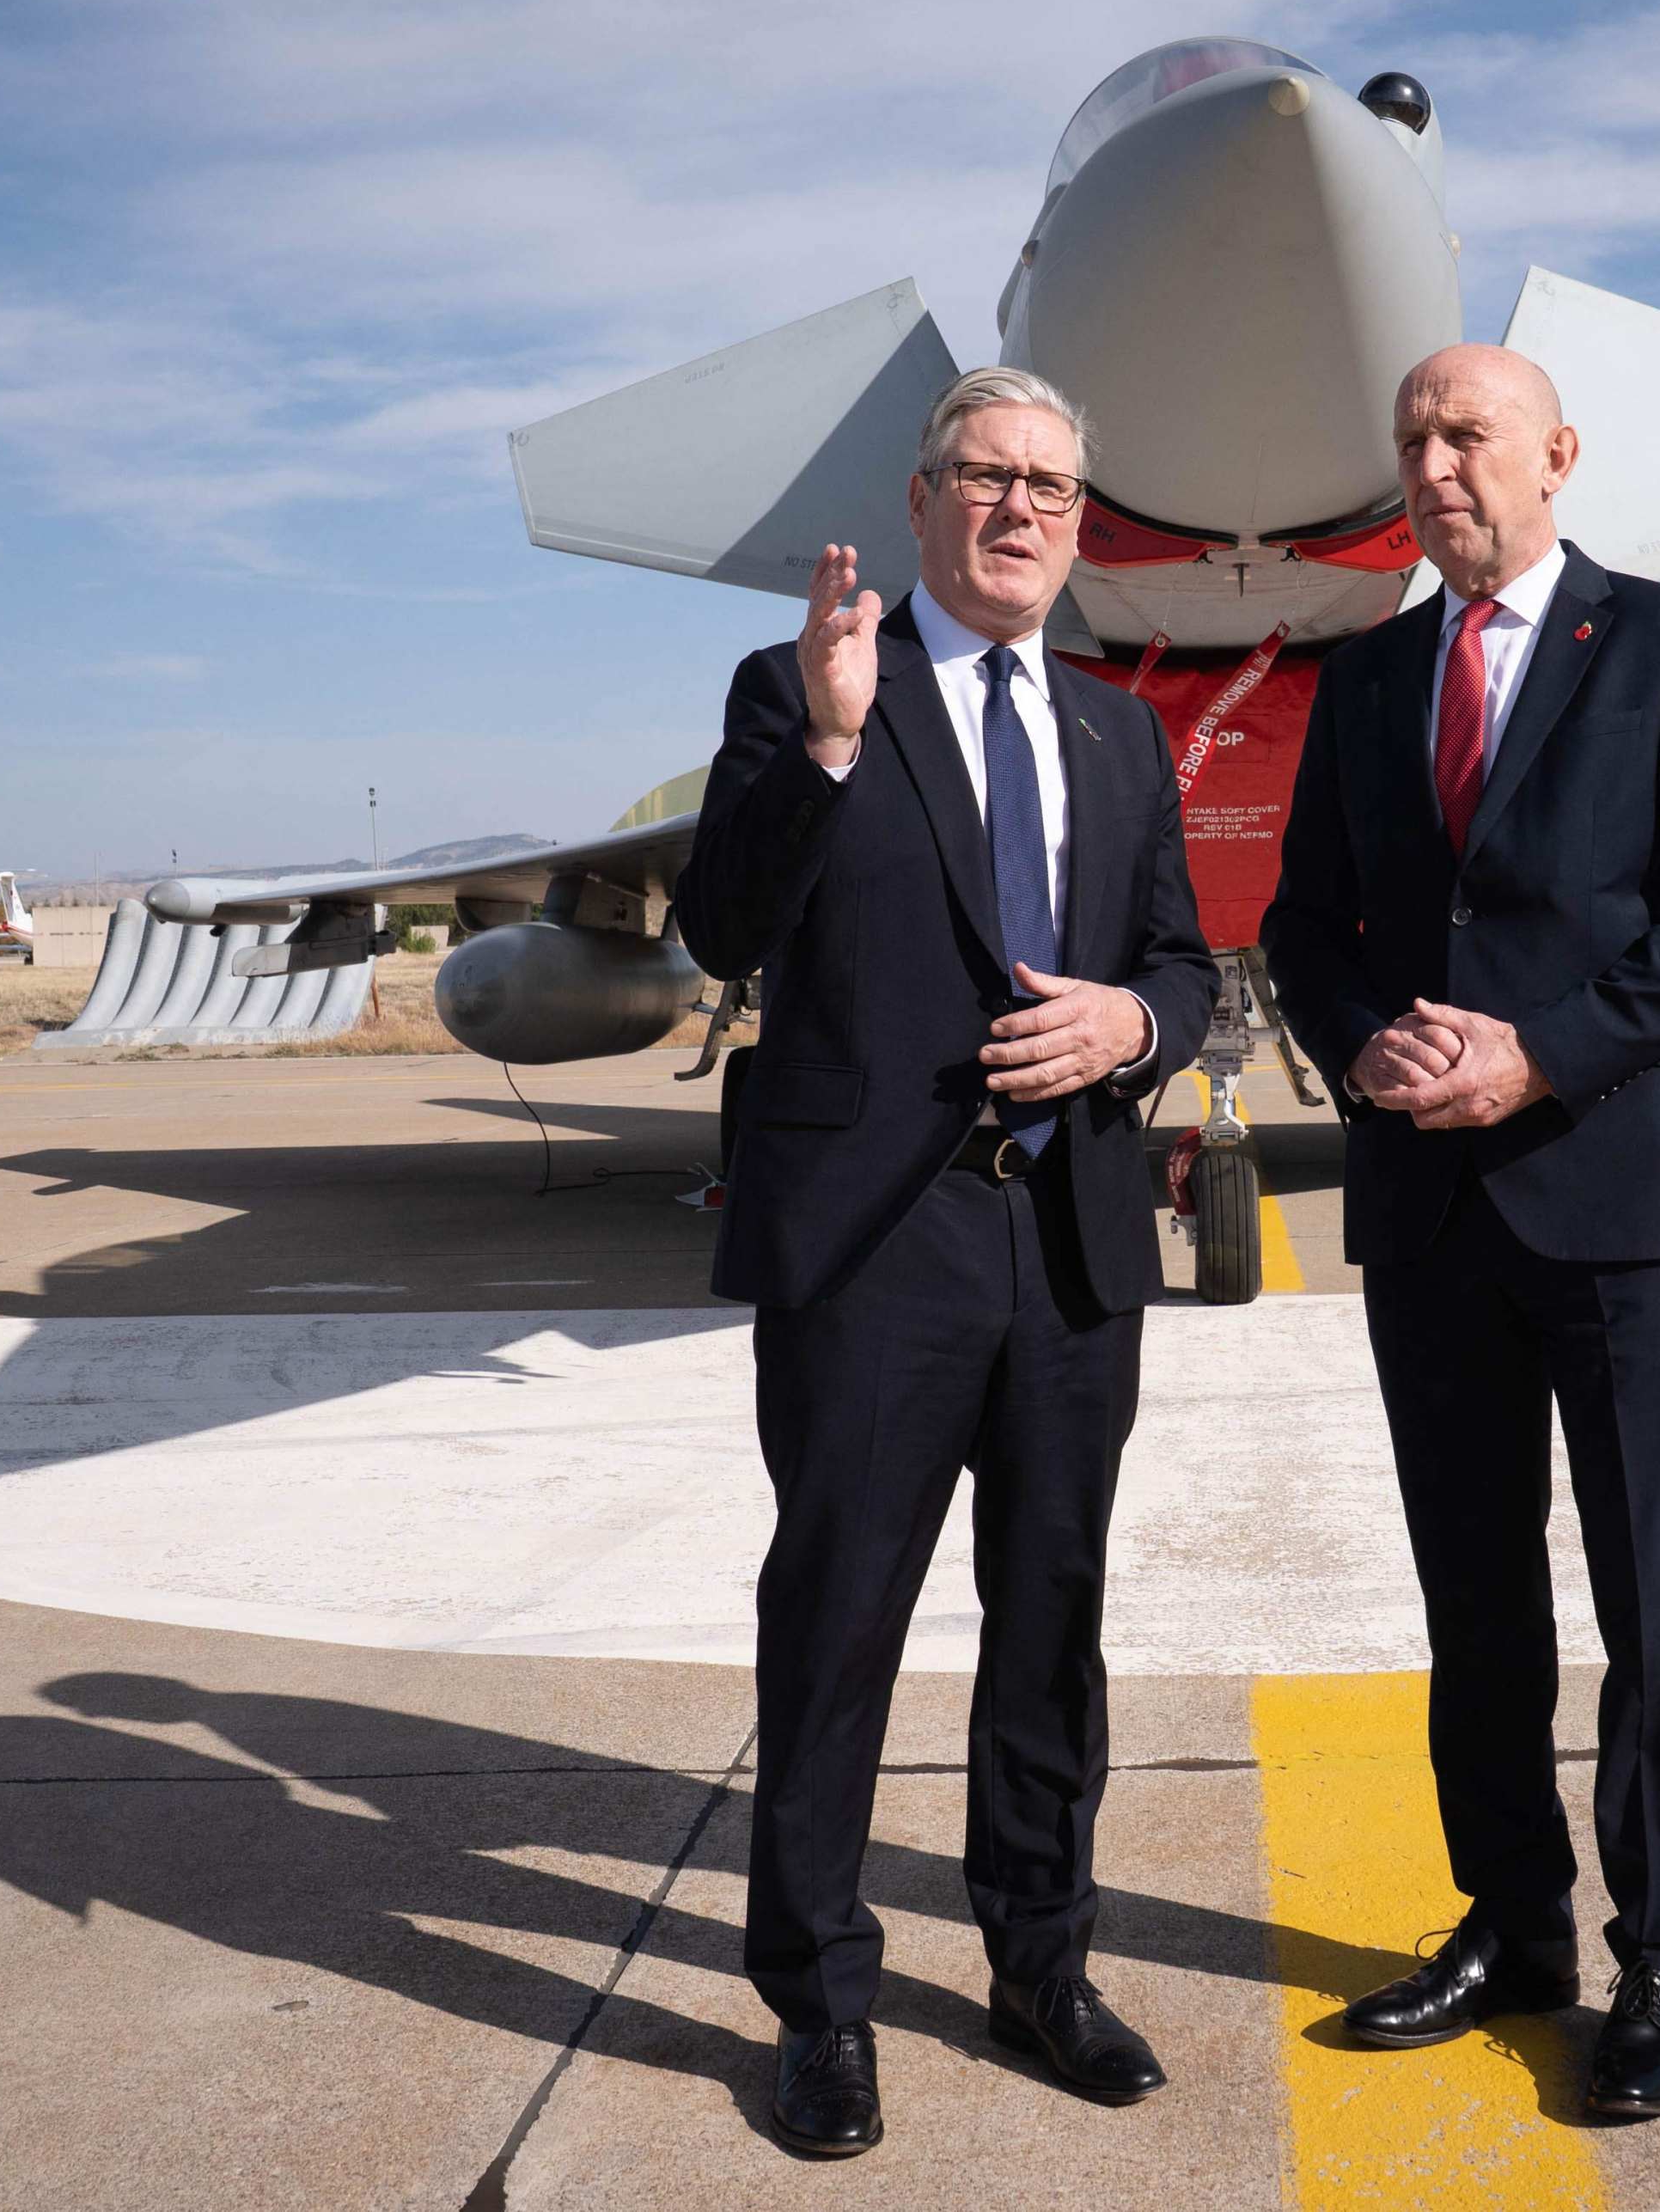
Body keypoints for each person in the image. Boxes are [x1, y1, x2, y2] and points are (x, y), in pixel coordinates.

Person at [1259, 343, 1660, 2120]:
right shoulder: (1364, 680)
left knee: (1657, 1591)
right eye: (1409, 438)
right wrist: (1371, 1046)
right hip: (1426, 1201)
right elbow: (1305, 925)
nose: (1432, 464)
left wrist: (1539, 1052)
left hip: (1619, 1192)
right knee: (1472, 1594)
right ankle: (1513, 1922)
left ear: (1553, 455)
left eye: (1464, 433)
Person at [679, 365, 1217, 2157]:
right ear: (919, 503)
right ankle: (821, 2002)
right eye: (986, 477)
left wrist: (1133, 1026)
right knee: (835, 1627)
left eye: (1053, 487)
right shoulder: (806, 684)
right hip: (872, 1246)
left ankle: (1039, 1963)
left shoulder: (1115, 733)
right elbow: (721, 923)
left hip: (1065, 1239)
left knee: (1050, 1624)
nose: (1021, 511)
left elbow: (1182, 962)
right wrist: (829, 744)